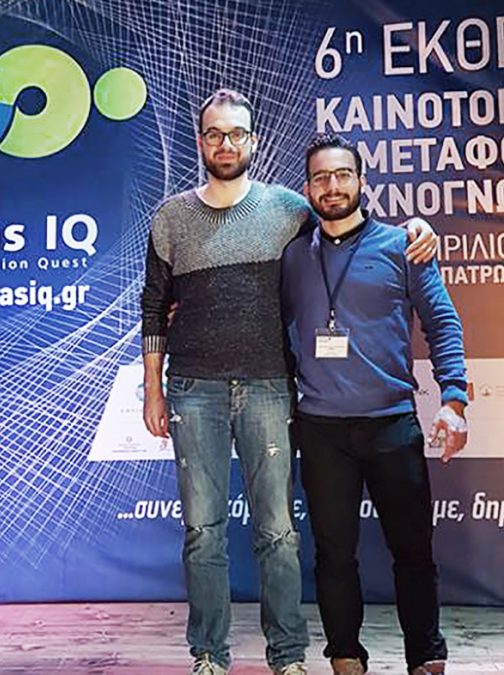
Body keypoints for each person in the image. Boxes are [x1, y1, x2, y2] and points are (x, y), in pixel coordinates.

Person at [140, 90, 436, 675]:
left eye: (236, 133)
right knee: (202, 531)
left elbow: (348, 220)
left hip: (270, 388)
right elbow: (154, 307)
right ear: (200, 142)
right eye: (214, 134)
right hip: (193, 389)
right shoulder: (171, 217)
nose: (225, 144)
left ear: (253, 141)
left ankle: (288, 656)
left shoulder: (289, 209)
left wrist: (416, 228)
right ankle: (209, 654)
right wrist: (153, 389)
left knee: (278, 532)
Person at [281, 133, 468, 675]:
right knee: (333, 554)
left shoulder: (404, 245)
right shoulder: (293, 257)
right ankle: (345, 656)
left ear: (363, 182)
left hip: (392, 424)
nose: (332, 186)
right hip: (321, 431)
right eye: (321, 177)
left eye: (343, 175)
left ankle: (426, 656)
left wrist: (454, 399)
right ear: (307, 190)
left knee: (413, 552)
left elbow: (443, 323)